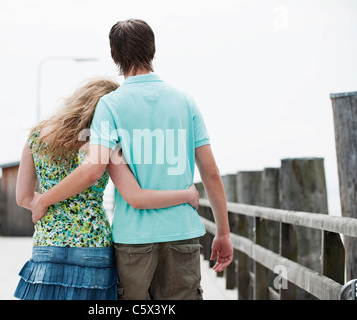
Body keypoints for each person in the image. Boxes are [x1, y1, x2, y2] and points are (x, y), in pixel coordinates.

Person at [30, 19, 234, 300]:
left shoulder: (111, 105)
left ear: (115, 56)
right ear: (152, 50)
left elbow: (92, 170)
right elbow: (210, 173)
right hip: (182, 233)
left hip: (133, 240)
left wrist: (43, 199)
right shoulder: (185, 101)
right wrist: (223, 232)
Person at [14, 77, 200, 300]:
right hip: (92, 245)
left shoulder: (37, 136)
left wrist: (43, 202)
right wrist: (188, 194)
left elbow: (23, 197)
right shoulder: (103, 144)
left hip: (47, 245)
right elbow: (135, 196)